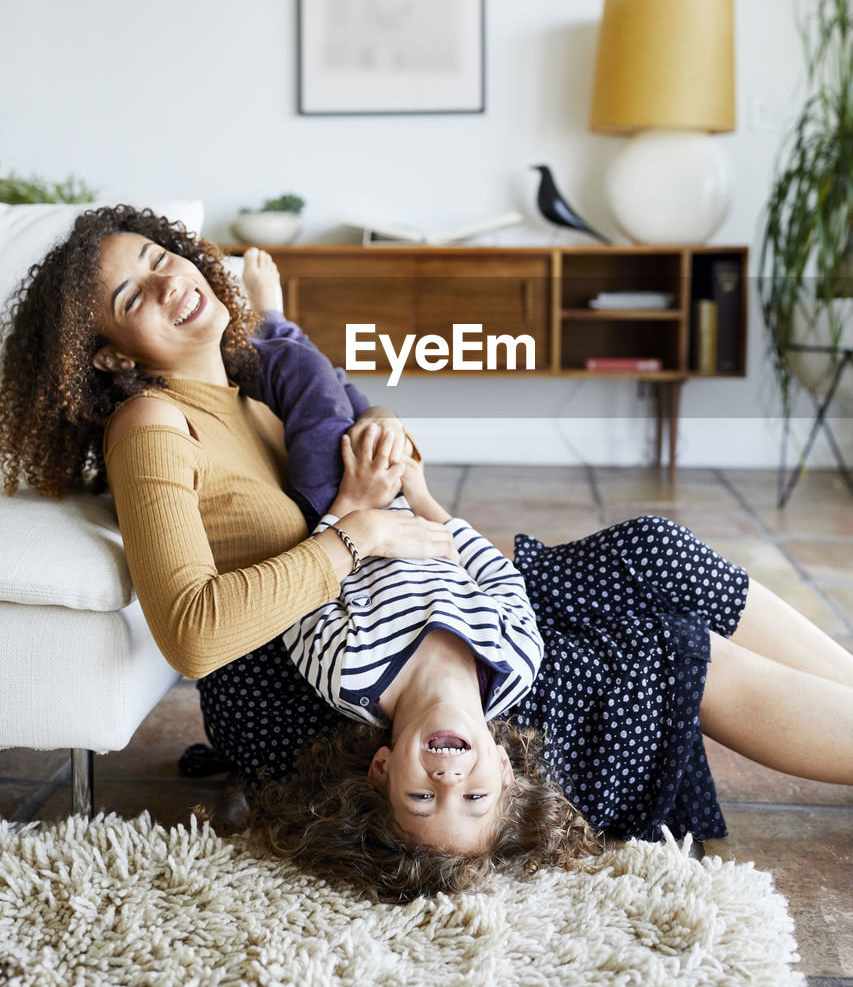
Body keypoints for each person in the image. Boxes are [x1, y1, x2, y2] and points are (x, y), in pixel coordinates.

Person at [1, 207, 851, 902]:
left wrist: (388, 466)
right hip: (314, 693)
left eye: (160, 255)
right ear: (111, 352)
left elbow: (335, 482)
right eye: (131, 293)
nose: (169, 278)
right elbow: (190, 633)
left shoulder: (244, 392)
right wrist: (359, 530)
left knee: (652, 551)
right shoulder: (150, 426)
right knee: (666, 649)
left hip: (373, 614)